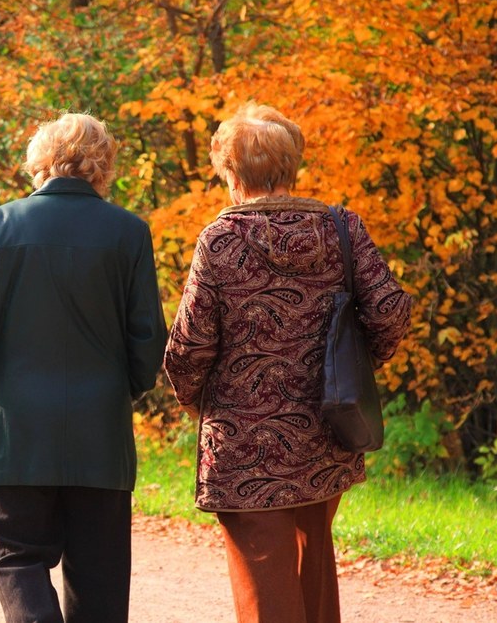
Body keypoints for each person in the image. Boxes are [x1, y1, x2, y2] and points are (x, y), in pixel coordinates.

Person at [162, 103, 413, 623]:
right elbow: (390, 310)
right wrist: (360, 369)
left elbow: (189, 346)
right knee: (312, 566)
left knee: (263, 585)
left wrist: (193, 401)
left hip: (243, 442)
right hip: (326, 430)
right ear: (291, 165)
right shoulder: (341, 228)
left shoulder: (221, 239)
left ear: (231, 174)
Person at [0, 113, 168, 623]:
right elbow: (147, 337)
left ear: (39, 161)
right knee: (101, 570)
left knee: (19, 556)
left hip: (15, 427)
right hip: (99, 429)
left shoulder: (0, 224)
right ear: (103, 164)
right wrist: (122, 390)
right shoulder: (129, 232)